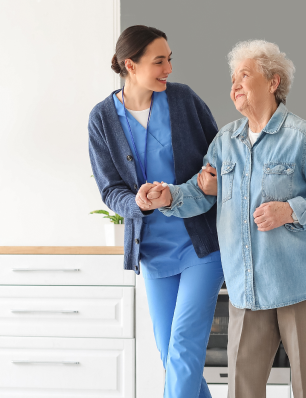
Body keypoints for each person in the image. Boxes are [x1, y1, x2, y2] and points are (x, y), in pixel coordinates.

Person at [137, 39, 306, 398]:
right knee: (242, 389)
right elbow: (200, 191)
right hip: (247, 288)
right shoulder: (225, 142)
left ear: (273, 82)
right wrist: (169, 196)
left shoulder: (301, 137)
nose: (234, 85)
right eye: (232, 78)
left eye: (244, 75)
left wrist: (289, 211)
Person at [88, 25, 224, 398]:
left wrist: (212, 179)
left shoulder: (182, 100)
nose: (168, 69)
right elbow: (110, 189)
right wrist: (137, 202)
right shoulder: (101, 118)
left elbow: (220, 155)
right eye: (159, 61)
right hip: (153, 252)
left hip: (201, 246)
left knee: (183, 348)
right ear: (130, 65)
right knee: (173, 357)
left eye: (170, 60)